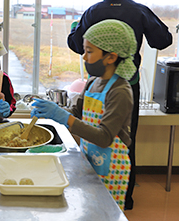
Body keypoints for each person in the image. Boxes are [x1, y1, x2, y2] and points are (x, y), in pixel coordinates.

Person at [67, 0, 173, 210]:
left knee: (93, 137)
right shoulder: (139, 10)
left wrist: (75, 28)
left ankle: (91, 194)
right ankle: (125, 199)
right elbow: (163, 40)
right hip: (128, 84)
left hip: (97, 85)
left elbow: (75, 43)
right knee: (125, 139)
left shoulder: (92, 12)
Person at [33, 19, 136, 210]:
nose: (84, 57)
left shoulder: (120, 91)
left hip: (112, 167)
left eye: (89, 52)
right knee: (89, 208)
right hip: (90, 159)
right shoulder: (92, 83)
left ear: (111, 57)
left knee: (106, 212)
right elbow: (76, 113)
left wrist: (64, 117)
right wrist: (52, 113)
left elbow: (104, 137)